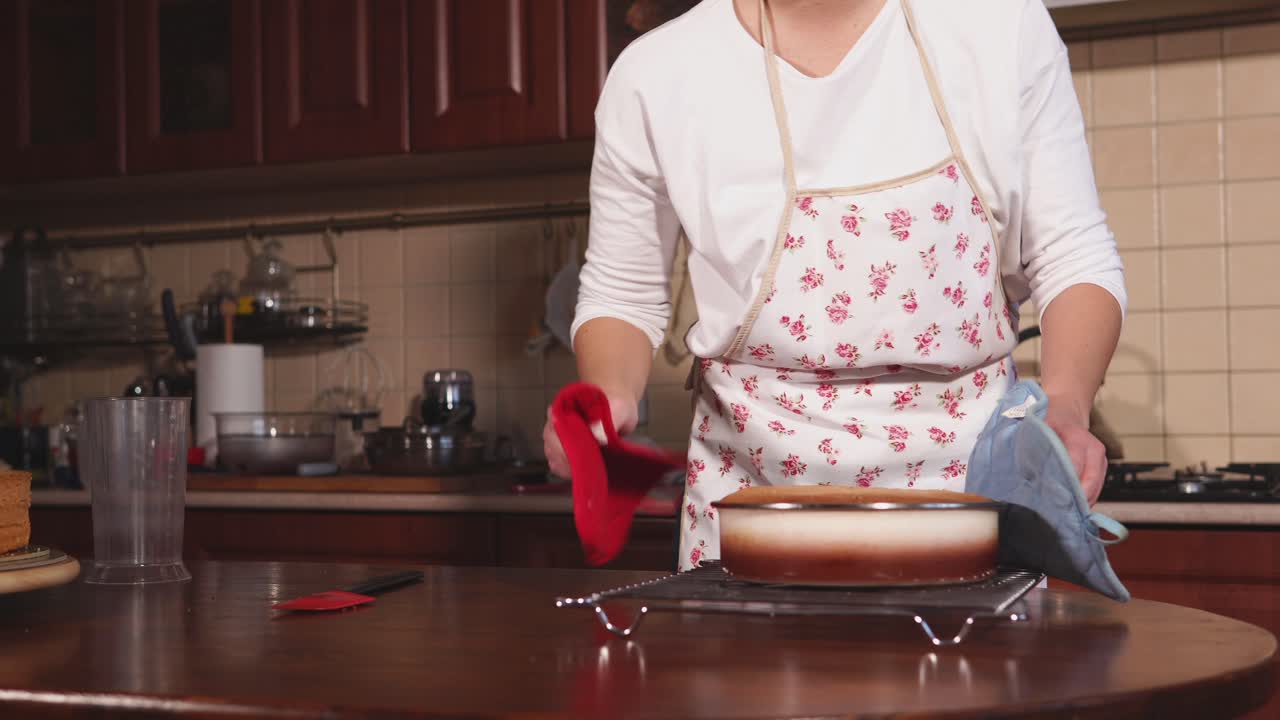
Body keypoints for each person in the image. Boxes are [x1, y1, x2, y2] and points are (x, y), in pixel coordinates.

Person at [544, 0, 1126, 570]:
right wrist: (610, 398)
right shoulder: (656, 74)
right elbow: (622, 291)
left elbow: (1071, 253)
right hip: (752, 517)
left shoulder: (998, 23)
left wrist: (1068, 406)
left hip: (972, 510)